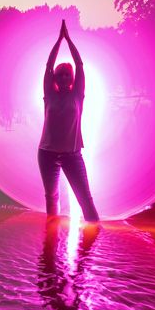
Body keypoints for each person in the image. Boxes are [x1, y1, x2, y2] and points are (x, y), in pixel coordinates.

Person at [38, 20, 99, 222]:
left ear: (71, 78)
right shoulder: (49, 94)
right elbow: (48, 66)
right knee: (51, 198)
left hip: (72, 155)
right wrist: (58, 41)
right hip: (46, 154)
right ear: (55, 78)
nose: (63, 77)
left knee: (86, 201)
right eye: (59, 75)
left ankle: (93, 247)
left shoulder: (77, 95)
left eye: (67, 74)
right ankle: (50, 241)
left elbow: (80, 65)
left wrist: (68, 40)